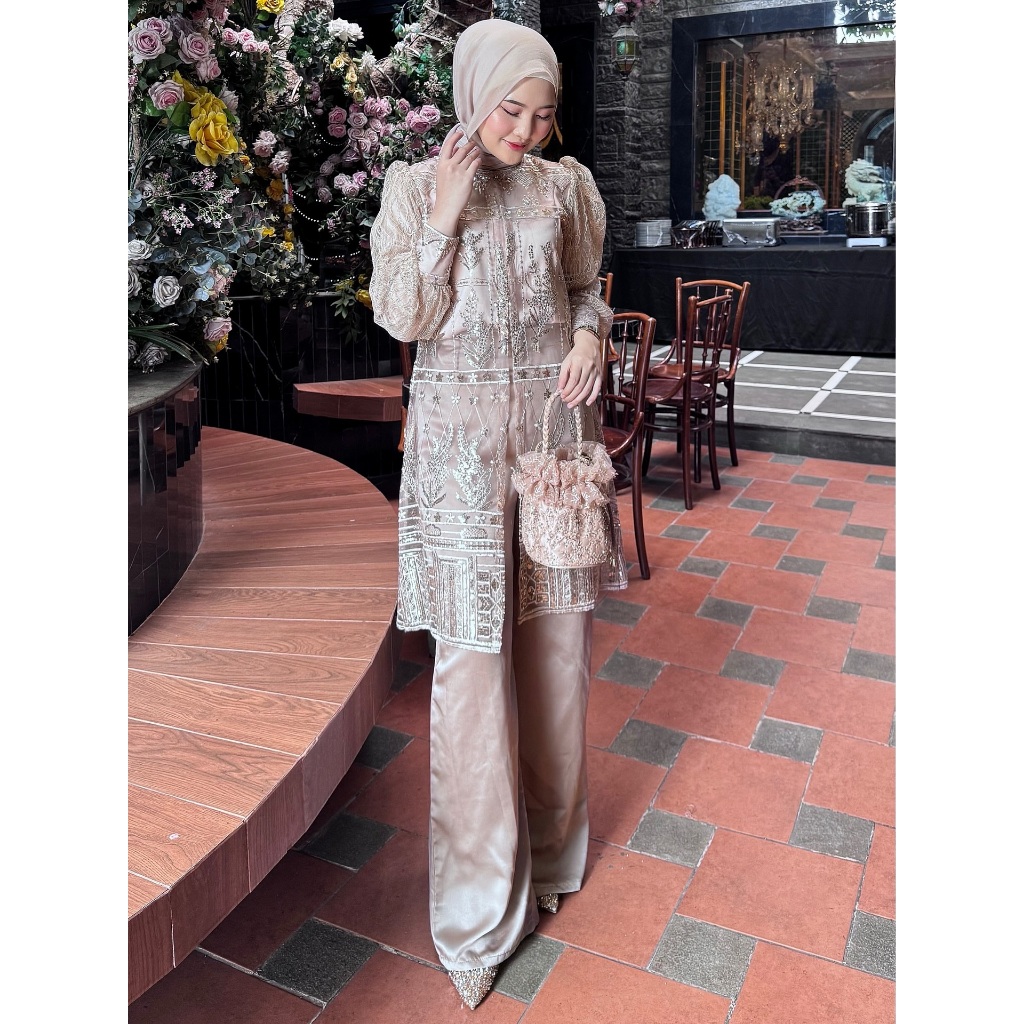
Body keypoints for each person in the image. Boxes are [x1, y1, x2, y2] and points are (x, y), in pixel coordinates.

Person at [368, 16, 627, 1011]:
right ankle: (478, 912)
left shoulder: (565, 188)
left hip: (553, 454)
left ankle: (553, 856)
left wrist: (592, 337)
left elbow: (584, 291)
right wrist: (443, 212)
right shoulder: (411, 186)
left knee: (556, 661)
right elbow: (404, 316)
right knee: (472, 674)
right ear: (473, 96)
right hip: (461, 464)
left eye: (542, 114)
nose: (524, 130)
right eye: (509, 109)